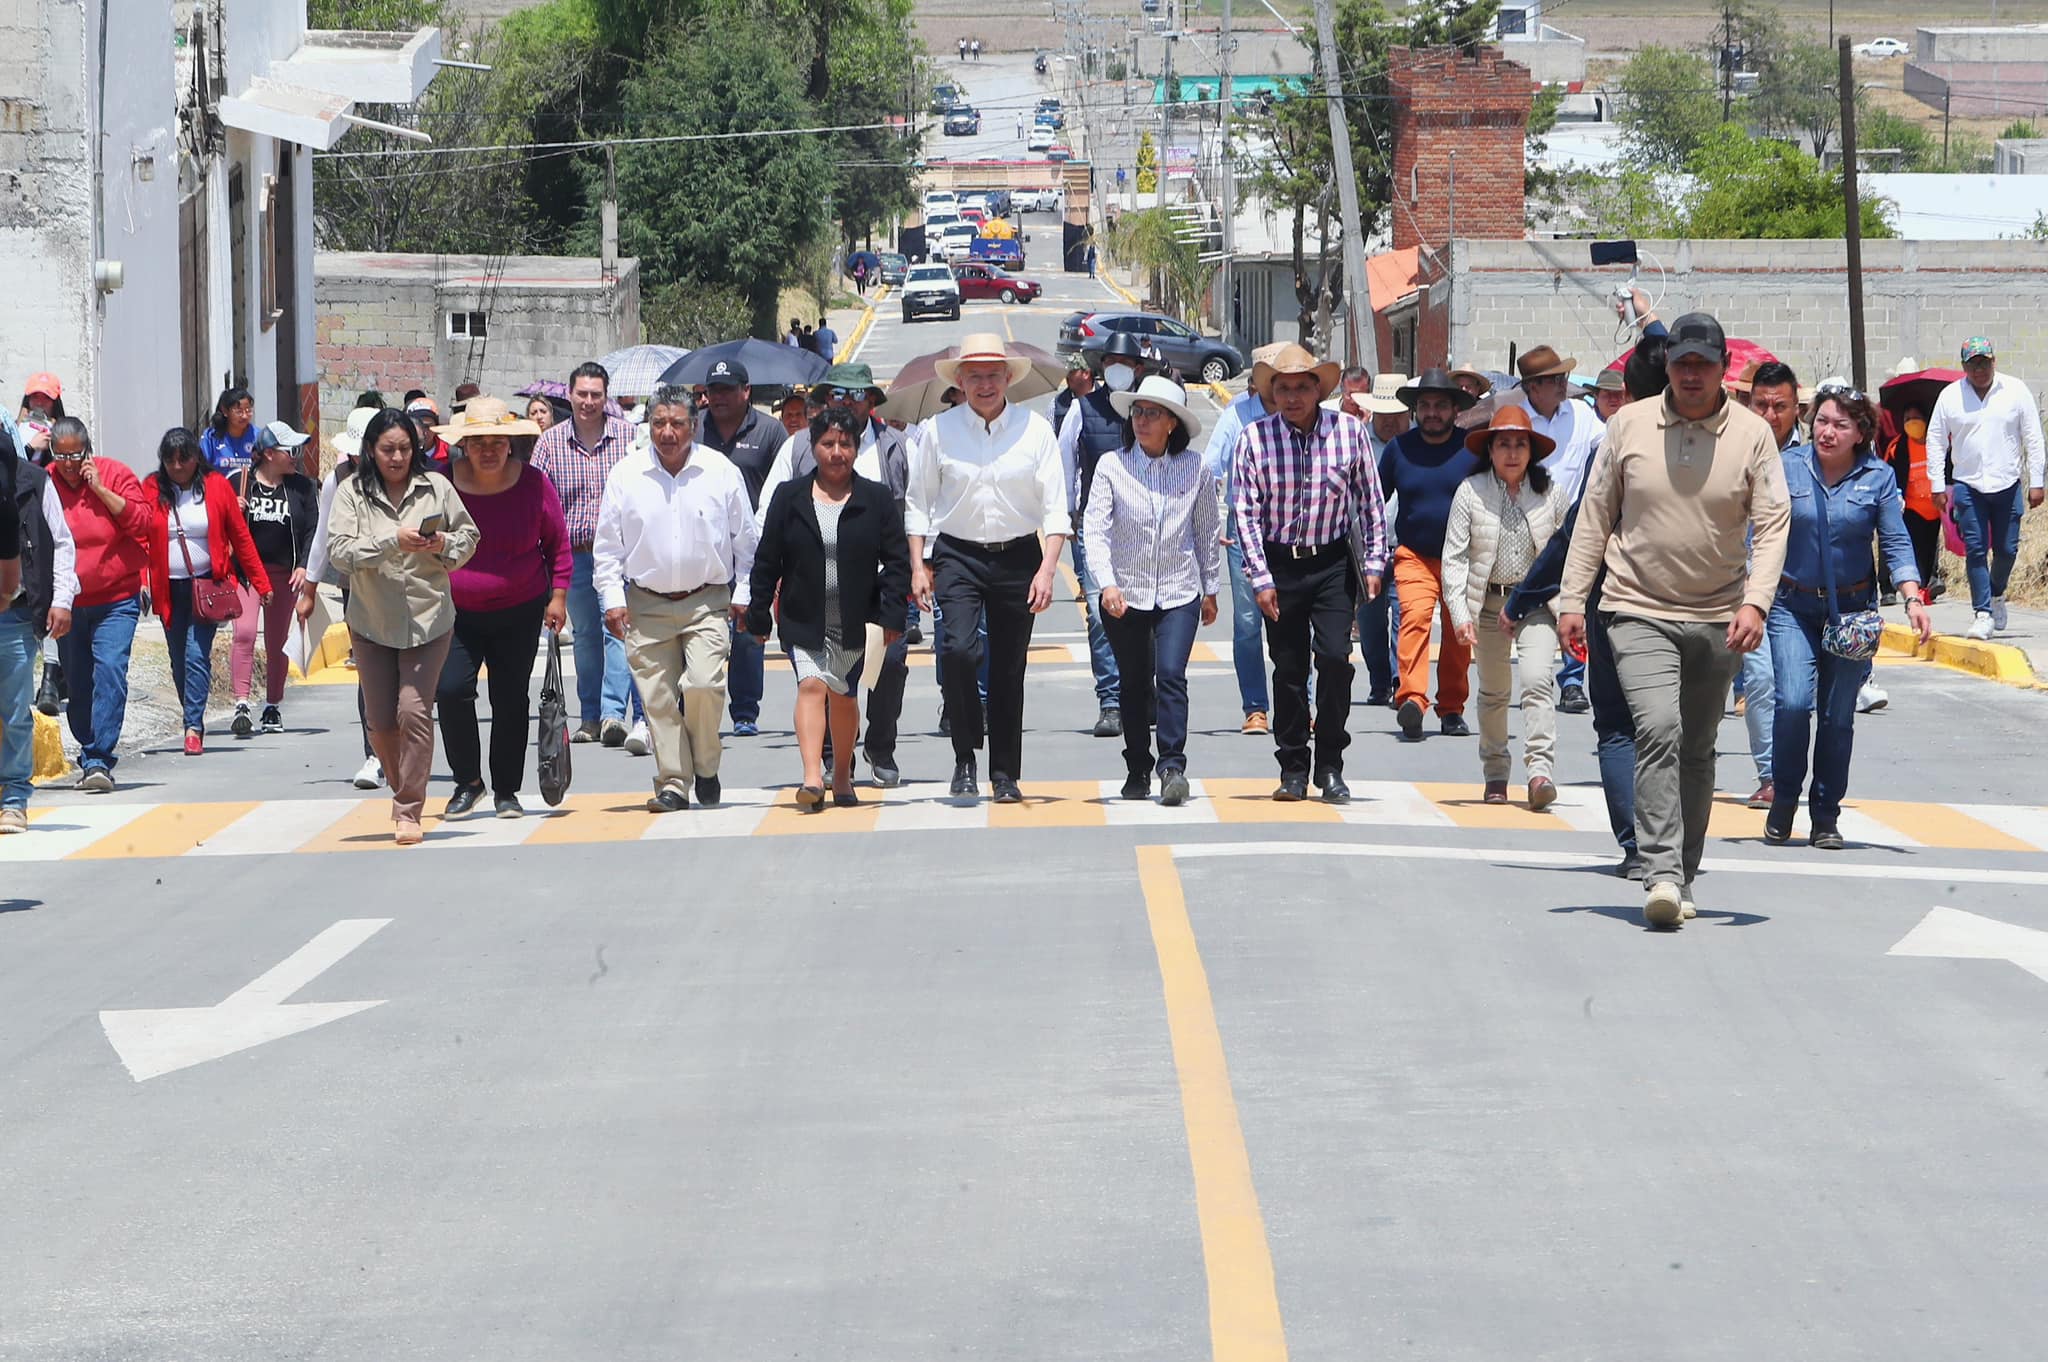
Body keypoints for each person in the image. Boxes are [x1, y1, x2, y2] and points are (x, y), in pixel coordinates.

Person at [1558, 312, 1790, 929]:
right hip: (1635, 606)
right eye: (1682, 363)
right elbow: (1594, 518)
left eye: (1703, 364)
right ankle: (1658, 871)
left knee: (1696, 746)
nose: (1691, 374)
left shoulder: (1753, 436)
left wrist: (1756, 602)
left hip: (1719, 614)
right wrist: (1571, 601)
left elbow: (1771, 525)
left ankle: (1683, 871)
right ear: (1667, 366)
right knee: (1657, 728)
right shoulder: (1628, 425)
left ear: (1722, 370)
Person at [1510, 334, 1670, 879]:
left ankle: (1637, 846)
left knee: (1621, 727)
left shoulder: (1618, 439)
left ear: (1627, 392)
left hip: (1616, 599)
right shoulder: (1723, 441)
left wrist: (1526, 596)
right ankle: (1668, 844)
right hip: (1690, 605)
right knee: (1674, 731)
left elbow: (1578, 530)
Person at [1764, 386, 1934, 850]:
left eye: (1840, 424)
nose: (1827, 431)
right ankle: (1783, 801)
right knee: (1795, 703)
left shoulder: (1877, 477)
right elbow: (1758, 531)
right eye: (1821, 420)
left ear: (1861, 433)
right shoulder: (1787, 467)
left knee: (1838, 717)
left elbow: (1896, 542)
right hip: (1791, 606)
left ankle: (1825, 816)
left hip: (1852, 614)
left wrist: (1912, 597)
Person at [906, 334, 1069, 804]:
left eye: (992, 375)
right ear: (959, 381)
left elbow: (1056, 507)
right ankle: (964, 755)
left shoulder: (1035, 430)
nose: (984, 384)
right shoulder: (939, 432)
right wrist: (919, 566)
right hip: (957, 554)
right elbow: (917, 504)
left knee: (1007, 669)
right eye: (974, 375)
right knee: (956, 650)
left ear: (1007, 379)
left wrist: (1047, 569)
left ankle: (1004, 773)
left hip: (1018, 555)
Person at [1233, 343, 1389, 803]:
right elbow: (1245, 512)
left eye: (1303, 387)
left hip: (1332, 563)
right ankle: (1294, 767)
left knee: (1337, 660)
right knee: (1288, 669)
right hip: (1280, 565)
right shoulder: (1255, 438)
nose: (1293, 396)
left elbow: (1370, 501)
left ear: (1319, 390)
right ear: (1272, 393)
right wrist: (1260, 578)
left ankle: (1331, 764)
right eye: (1284, 388)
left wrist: (1376, 562)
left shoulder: (1349, 433)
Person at [595, 386, 757, 813]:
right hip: (644, 603)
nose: (667, 432)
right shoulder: (626, 475)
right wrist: (613, 599)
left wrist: (744, 593)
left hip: (706, 601)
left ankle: (705, 764)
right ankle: (673, 782)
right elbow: (608, 548)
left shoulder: (720, 471)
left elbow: (746, 541)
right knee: (658, 699)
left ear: (694, 426)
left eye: (677, 423)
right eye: (659, 423)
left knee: (703, 684)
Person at [754, 364, 915, 786]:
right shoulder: (792, 476)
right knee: (812, 684)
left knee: (871, 679)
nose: (837, 451)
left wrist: (899, 604)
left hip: (868, 603)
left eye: (857, 395)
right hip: (805, 607)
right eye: (827, 443)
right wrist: (755, 608)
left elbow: (906, 531)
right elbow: (767, 548)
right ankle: (817, 770)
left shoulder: (896, 451)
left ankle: (877, 750)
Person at [325, 408, 480, 845]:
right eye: (388, 449)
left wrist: (442, 543)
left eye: (405, 449)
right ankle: (401, 787)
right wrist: (392, 541)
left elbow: (468, 537)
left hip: (430, 619)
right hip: (372, 623)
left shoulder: (438, 487)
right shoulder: (352, 493)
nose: (397, 457)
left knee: (413, 710)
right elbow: (340, 552)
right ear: (370, 452)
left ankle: (409, 807)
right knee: (380, 724)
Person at [431, 398, 569, 820]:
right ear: (463, 447)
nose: (488, 449)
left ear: (510, 443)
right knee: (451, 691)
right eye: (477, 442)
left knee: (510, 699)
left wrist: (558, 595)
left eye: (496, 441)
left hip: (519, 608)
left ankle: (507, 790)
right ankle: (467, 783)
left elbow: (557, 545)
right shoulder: (440, 482)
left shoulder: (534, 483)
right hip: (454, 612)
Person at [1086, 376, 1220, 806]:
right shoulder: (1112, 466)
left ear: (1173, 425)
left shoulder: (1195, 469)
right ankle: (1137, 766)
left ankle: (1172, 766)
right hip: (1124, 592)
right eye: (1138, 412)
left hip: (1180, 591)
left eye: (1153, 414)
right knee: (1134, 681)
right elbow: (1096, 529)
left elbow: (1205, 530)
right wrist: (1106, 582)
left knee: (1172, 675)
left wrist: (1211, 587)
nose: (1142, 421)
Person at [1441, 406, 1570, 809]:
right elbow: (1455, 558)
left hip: (1535, 604)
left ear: (1532, 451)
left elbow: (1571, 551)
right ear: (1490, 450)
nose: (1512, 453)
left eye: (1520, 444)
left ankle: (1539, 773)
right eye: (1503, 444)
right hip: (1487, 603)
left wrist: (1572, 607)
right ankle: (1496, 771)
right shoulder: (1471, 491)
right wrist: (1460, 615)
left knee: (1536, 681)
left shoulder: (1552, 494)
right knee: (1495, 691)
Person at [142, 427, 272, 756]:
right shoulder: (152, 488)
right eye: (169, 460)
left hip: (207, 588)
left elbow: (240, 538)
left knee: (196, 655)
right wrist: (141, 581)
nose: (176, 466)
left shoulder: (215, 487)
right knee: (177, 660)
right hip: (168, 589)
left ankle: (193, 727)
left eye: (183, 459)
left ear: (196, 458)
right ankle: (192, 713)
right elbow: (140, 536)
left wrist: (262, 583)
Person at [532, 361, 641, 748]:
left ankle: (614, 714)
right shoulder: (550, 443)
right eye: (582, 394)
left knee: (618, 630)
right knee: (586, 638)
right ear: (570, 395)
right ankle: (590, 716)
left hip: (620, 557)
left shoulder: (630, 438)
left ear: (606, 397)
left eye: (597, 394)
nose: (589, 401)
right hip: (572, 557)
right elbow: (537, 502)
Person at [45, 418, 150, 791]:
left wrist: (101, 490)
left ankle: (99, 759)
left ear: (87, 450)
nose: (69, 464)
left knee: (110, 672)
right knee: (77, 681)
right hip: (68, 603)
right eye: (61, 456)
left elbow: (142, 523)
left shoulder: (115, 474)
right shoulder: (46, 482)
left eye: (75, 455)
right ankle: (90, 751)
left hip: (116, 598)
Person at [1380, 368, 1482, 743]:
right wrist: (1372, 551)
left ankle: (1452, 707)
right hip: (1414, 554)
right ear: (1415, 411)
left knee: (1459, 633)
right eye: (1425, 406)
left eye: (1441, 405)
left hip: (1463, 558)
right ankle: (1411, 700)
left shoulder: (1472, 449)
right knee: (1415, 617)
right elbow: (1376, 502)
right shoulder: (1399, 449)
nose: (1432, 412)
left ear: (1455, 409)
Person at [1926, 336, 2045, 642]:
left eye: (1984, 362)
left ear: (1994, 362)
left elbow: (2033, 436)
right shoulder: (1950, 397)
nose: (1979, 369)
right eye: (1973, 364)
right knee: (1976, 550)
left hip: (2007, 484)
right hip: (1968, 485)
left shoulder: (2015, 390)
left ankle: (1996, 593)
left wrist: (2038, 481)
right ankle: (1982, 613)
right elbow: (1936, 441)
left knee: (2007, 549)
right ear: (1964, 366)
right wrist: (1937, 484)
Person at [1057, 334, 1146, 736]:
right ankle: (1110, 701)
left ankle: (1144, 693)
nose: (1118, 368)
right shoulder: (1082, 410)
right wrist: (1066, 519)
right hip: (1095, 529)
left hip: (1147, 533)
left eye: (1125, 362)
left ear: (1138, 369)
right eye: (1111, 361)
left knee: (1146, 614)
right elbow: (1065, 464)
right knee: (1099, 614)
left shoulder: (1153, 409)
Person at [697, 358, 789, 738]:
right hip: (704, 548)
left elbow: (784, 489)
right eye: (713, 390)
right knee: (701, 630)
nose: (718, 397)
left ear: (746, 392)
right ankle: (696, 708)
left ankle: (745, 711)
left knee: (748, 631)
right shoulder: (694, 429)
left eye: (727, 390)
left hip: (755, 550)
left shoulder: (769, 432)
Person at [1200, 342, 1287, 735]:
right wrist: (1209, 525)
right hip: (1244, 528)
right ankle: (1255, 706)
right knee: (1249, 622)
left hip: (1293, 529)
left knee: (1295, 620)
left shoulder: (1302, 415)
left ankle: (1302, 703)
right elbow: (1210, 469)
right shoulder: (1237, 416)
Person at [1728, 360, 1804, 802]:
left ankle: (1791, 770)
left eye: (1780, 406)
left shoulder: (1811, 457)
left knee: (1794, 694)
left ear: (1797, 408)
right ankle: (1770, 776)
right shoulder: (1734, 450)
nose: (1770, 415)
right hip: (1743, 587)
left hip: (1795, 590)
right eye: (1761, 405)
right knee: (1758, 681)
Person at [303, 405, 386, 788]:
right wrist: (310, 588)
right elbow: (323, 536)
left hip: (404, 587)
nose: (358, 459)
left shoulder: (405, 475)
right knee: (369, 672)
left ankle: (398, 747)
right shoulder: (337, 480)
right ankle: (374, 755)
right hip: (355, 586)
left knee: (402, 674)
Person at [1, 429, 75, 833]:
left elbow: (62, 542)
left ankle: (14, 798)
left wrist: (62, 598)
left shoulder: (34, 481)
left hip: (14, 615)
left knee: (14, 710)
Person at [230, 422, 318, 736]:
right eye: (290, 450)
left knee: (277, 641)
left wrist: (304, 566)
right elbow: (220, 525)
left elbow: (312, 531)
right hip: (247, 575)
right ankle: (241, 703)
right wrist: (234, 509)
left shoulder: (303, 487)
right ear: (269, 453)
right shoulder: (240, 483)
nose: (296, 456)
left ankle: (272, 706)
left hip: (285, 575)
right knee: (244, 633)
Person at [199, 385, 259, 475]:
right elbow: (202, 468)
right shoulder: (211, 437)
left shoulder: (258, 436)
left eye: (248, 411)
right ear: (225, 411)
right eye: (239, 412)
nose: (244, 416)